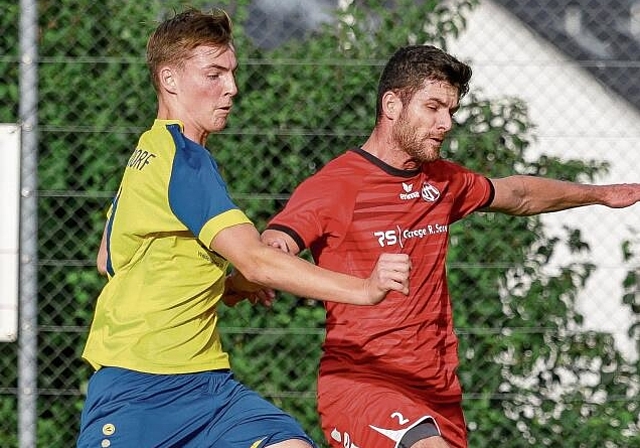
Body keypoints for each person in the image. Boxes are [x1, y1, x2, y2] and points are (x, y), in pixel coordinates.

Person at [261, 44, 640, 448]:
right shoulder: (337, 186)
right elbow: (275, 244)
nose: (445, 123)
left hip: (438, 394)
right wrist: (262, 268)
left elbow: (520, 195)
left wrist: (601, 194)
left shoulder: (442, 181)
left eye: (451, 112)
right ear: (392, 105)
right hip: (364, 385)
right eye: (433, 107)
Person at [76, 8, 411, 448]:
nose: (231, 88)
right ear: (170, 80)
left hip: (209, 390)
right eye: (214, 73)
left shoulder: (150, 149)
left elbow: (110, 258)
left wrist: (227, 286)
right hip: (140, 393)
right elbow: (255, 257)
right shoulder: (185, 161)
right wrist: (365, 289)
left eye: (232, 72)